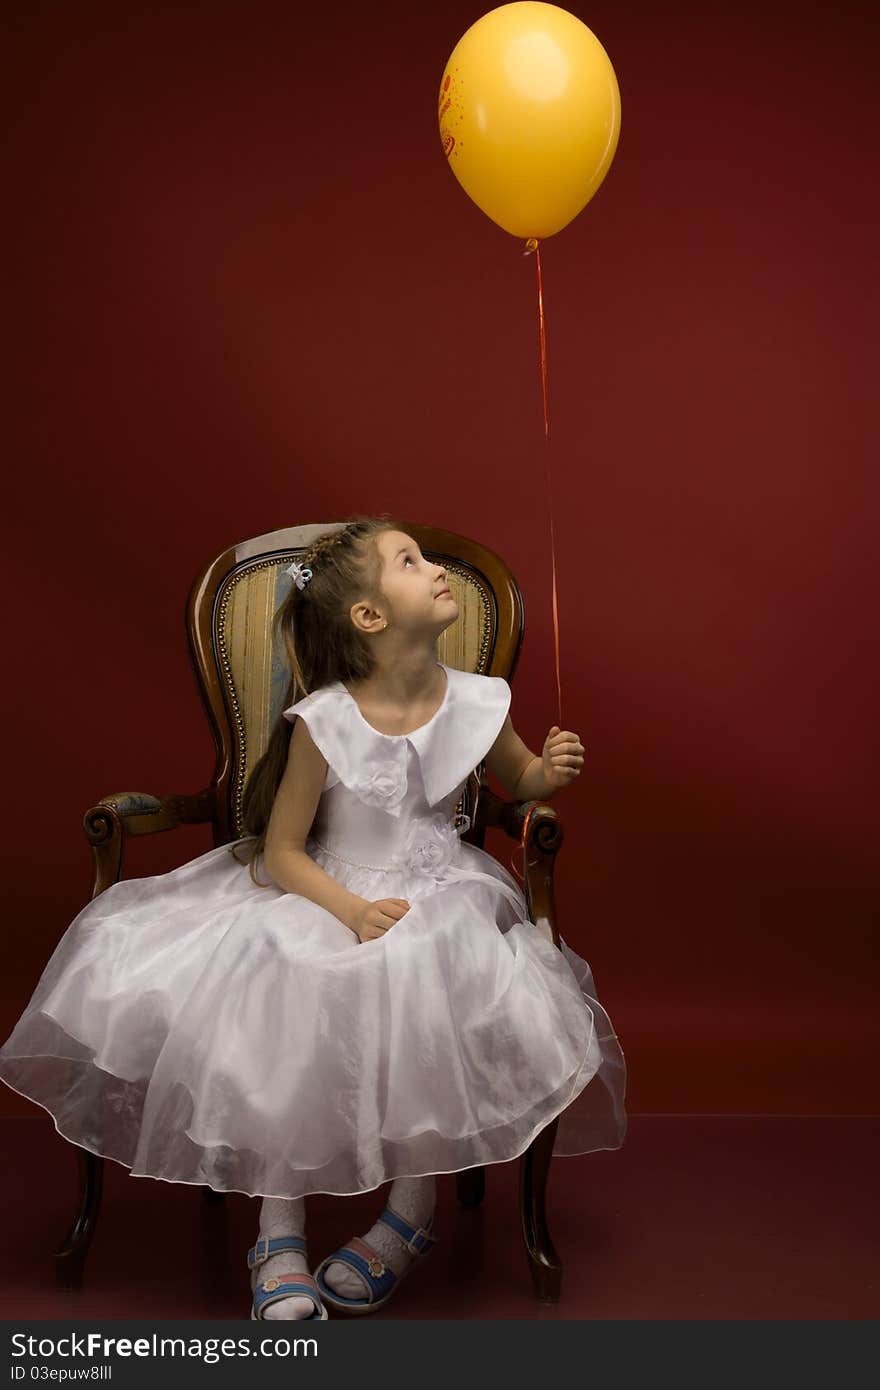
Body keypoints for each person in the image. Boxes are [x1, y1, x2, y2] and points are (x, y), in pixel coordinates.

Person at [0, 514, 627, 1319]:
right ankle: (279, 1232)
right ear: (369, 617)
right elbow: (285, 851)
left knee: (432, 996)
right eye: (410, 561)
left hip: (443, 895)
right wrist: (351, 909)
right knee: (288, 993)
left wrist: (550, 771)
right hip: (328, 892)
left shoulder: (477, 700)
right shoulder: (324, 723)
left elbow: (522, 779)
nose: (436, 569)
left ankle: (411, 1214)